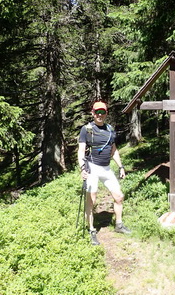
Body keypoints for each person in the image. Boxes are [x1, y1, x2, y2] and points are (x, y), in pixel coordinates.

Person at [78, 101, 131, 246]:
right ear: (92, 113)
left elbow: (113, 150)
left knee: (119, 197)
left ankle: (119, 225)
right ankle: (91, 230)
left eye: (102, 112)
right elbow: (81, 151)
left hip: (106, 168)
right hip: (92, 168)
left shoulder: (110, 129)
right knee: (91, 200)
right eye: (97, 112)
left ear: (106, 113)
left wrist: (120, 167)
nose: (100, 115)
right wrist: (83, 168)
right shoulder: (86, 129)